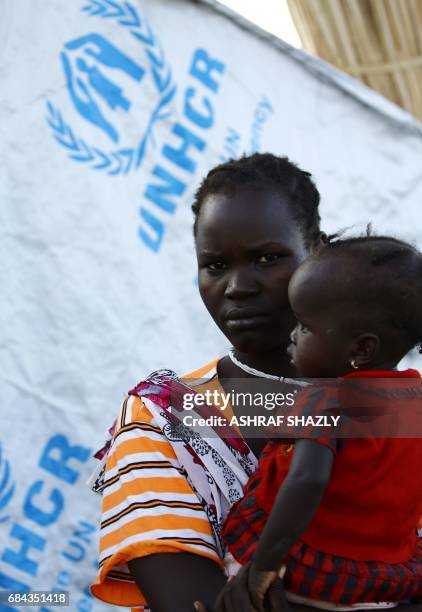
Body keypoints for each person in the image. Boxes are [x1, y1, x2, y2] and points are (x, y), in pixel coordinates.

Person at [89, 152, 325, 611]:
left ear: (315, 250)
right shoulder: (162, 418)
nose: (237, 286)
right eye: (215, 265)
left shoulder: (387, 405)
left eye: (267, 257)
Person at [218, 234, 422, 611]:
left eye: (306, 327)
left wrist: (264, 565)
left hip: (309, 574)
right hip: (386, 580)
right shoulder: (414, 399)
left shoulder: (326, 400)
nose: (292, 337)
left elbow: (307, 479)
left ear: (361, 349)